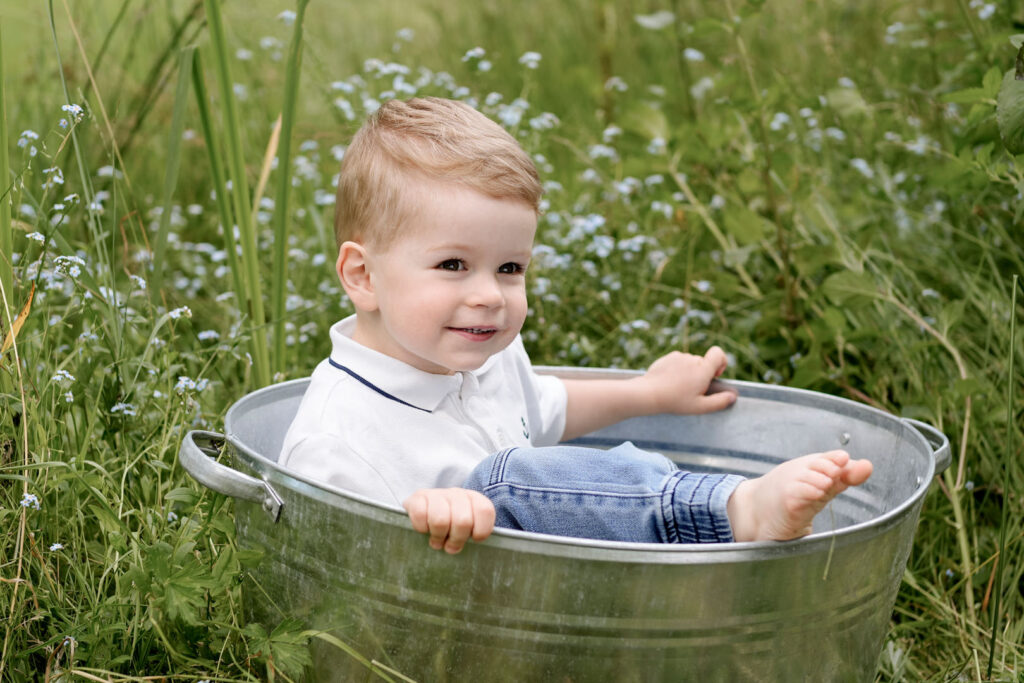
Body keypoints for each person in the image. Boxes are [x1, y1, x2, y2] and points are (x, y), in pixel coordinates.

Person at [279, 97, 873, 554]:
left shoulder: (482, 356)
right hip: (455, 618)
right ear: (362, 275)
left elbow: (547, 409)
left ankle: (696, 538)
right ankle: (731, 511)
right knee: (507, 480)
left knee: (542, 480)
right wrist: (421, 515)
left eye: (511, 268)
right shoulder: (338, 440)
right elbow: (337, 570)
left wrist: (648, 393)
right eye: (453, 265)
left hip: (545, 587)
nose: (490, 295)